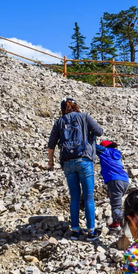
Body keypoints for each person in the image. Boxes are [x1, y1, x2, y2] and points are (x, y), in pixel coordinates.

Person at [47, 97, 104, 240]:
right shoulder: (84, 117)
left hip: (67, 163)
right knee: (89, 196)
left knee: (74, 197)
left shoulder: (59, 122)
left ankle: (75, 231)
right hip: (84, 160)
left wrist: (51, 163)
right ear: (75, 106)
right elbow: (99, 131)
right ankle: (91, 231)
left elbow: (51, 145)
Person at [95, 139, 130, 229]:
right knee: (115, 202)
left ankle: (127, 225)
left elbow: (93, 146)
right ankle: (116, 223)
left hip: (115, 180)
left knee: (116, 207)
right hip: (125, 180)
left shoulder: (105, 152)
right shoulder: (117, 154)